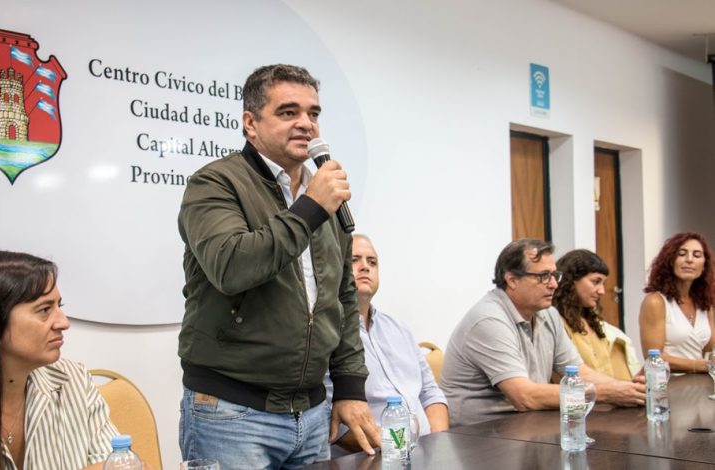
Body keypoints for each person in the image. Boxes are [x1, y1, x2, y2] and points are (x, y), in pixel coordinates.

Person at [177, 64, 378, 469]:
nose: (306, 123)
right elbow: (231, 266)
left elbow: (341, 296)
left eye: (313, 113)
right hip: (233, 413)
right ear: (250, 123)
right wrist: (311, 208)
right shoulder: (215, 183)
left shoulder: (321, 193)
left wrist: (349, 386)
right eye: (288, 112)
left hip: (313, 411)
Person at [0, 251, 120, 469]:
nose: (63, 323)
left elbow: (121, 462)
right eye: (45, 310)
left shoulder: (74, 380)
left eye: (59, 307)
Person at [439, 239, 645, 426]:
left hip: (525, 424)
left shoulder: (548, 314)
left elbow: (580, 372)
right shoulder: (489, 320)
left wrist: (629, 389)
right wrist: (605, 393)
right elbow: (524, 396)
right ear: (512, 279)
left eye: (555, 275)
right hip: (481, 435)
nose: (554, 284)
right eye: (543, 276)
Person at [326, 234, 448, 453]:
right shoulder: (326, 333)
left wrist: (438, 443)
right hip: (373, 456)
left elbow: (431, 393)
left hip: (427, 451)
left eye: (372, 262)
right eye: (354, 260)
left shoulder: (399, 329)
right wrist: (398, 450)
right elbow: (332, 421)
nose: (365, 267)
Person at [553, 249, 642, 380]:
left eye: (603, 283)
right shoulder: (556, 322)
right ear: (572, 280)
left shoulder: (593, 322)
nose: (602, 291)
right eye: (596, 281)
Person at [639, 232, 715, 373]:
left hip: (701, 382)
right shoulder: (655, 301)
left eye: (697, 255)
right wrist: (702, 366)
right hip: (666, 382)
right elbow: (654, 358)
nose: (689, 260)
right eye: (681, 254)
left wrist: (708, 364)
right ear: (670, 261)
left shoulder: (705, 303)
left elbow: (710, 352)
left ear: (704, 266)